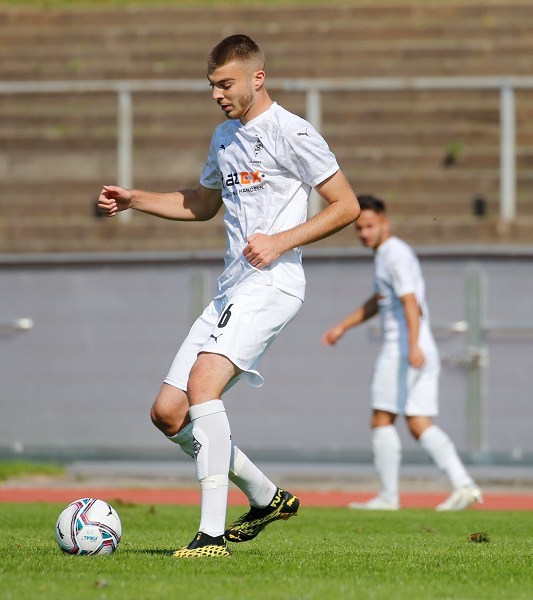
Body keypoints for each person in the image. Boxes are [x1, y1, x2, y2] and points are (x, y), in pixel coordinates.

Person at [98, 34, 360, 557]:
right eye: (212, 85)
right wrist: (136, 200)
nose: (218, 94)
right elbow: (202, 204)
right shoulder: (223, 136)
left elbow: (346, 205)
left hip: (274, 283)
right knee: (168, 413)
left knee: (202, 386)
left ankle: (211, 536)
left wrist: (281, 241)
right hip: (231, 289)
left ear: (257, 78)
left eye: (226, 83)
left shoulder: (293, 132)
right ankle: (265, 498)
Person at [321, 195, 482, 511]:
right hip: (417, 348)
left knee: (381, 418)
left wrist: (412, 346)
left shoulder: (394, 255)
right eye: (359, 229)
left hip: (403, 350)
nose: (364, 233)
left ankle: (388, 497)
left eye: (369, 226)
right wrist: (343, 326)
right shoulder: (387, 255)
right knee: (418, 422)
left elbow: (411, 302)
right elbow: (379, 300)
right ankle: (465, 486)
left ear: (385, 222)